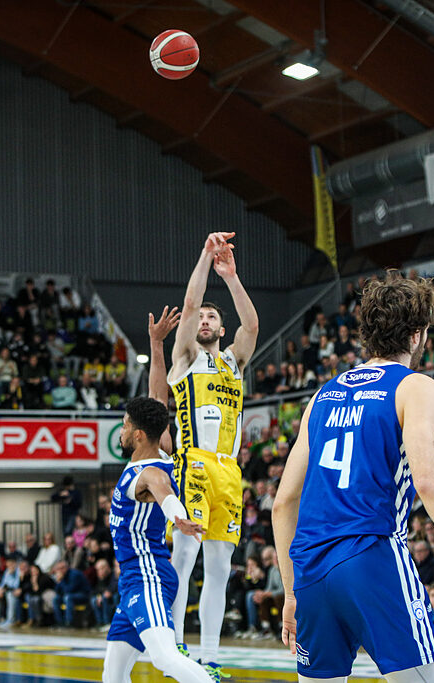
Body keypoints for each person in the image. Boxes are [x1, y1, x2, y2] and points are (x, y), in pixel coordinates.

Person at [273, 273, 434, 683]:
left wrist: (290, 593)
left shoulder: (321, 396)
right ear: (416, 335)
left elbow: (283, 503)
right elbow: (429, 482)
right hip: (371, 555)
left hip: (310, 570)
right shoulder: (414, 387)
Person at [168, 232, 259, 678]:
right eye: (201, 317)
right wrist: (206, 259)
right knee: (184, 558)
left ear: (221, 330)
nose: (204, 319)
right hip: (193, 463)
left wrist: (232, 277)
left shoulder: (233, 362)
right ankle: (174, 648)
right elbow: (188, 306)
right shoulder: (186, 357)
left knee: (220, 567)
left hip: (229, 471)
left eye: (211, 317)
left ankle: (209, 657)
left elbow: (252, 327)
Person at [101, 397, 213, 683]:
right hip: (132, 579)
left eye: (125, 426)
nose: (122, 431)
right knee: (113, 675)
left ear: (138, 434)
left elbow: (164, 493)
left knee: (165, 657)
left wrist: (178, 517)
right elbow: (157, 397)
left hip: (147, 575)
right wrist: (158, 364)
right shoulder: (160, 452)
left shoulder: (149, 472)